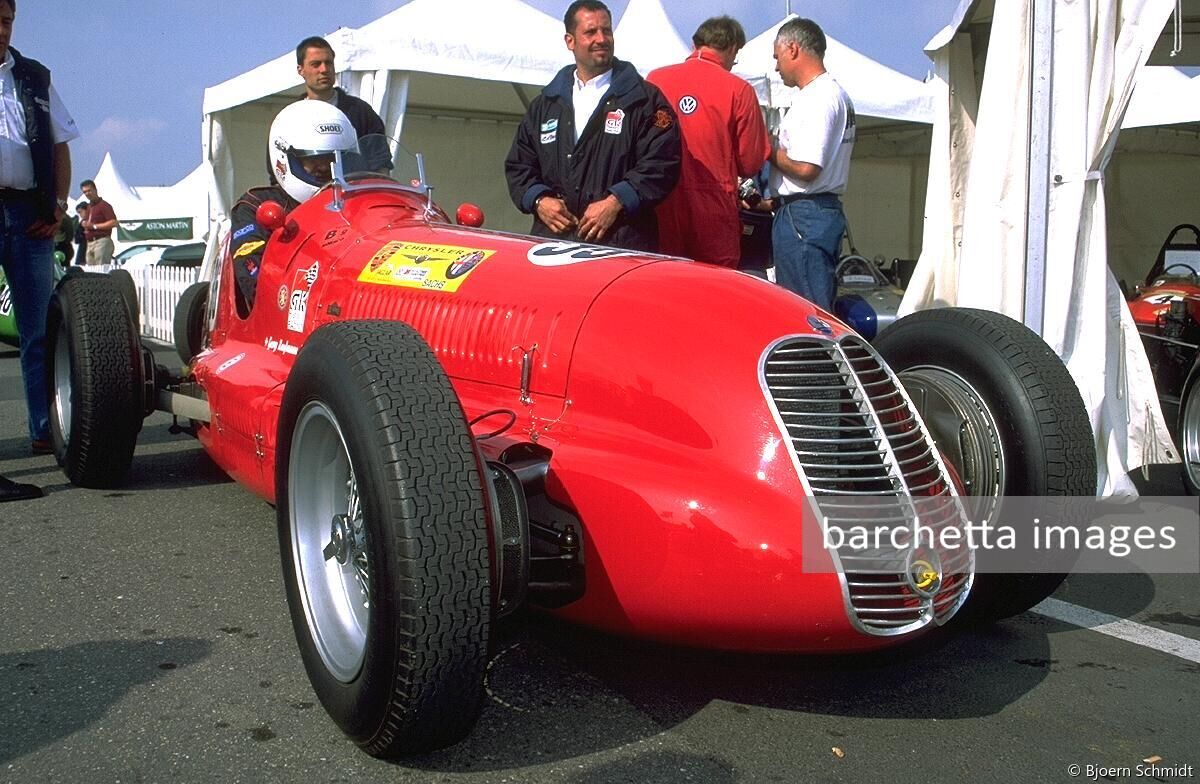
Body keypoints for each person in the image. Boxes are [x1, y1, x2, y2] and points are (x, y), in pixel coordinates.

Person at [504, 0, 680, 251]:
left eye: (606, 30)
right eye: (590, 32)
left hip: (621, 246)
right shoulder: (545, 105)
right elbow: (519, 166)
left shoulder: (644, 99)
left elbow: (663, 163)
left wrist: (616, 201)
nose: (601, 38)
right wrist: (539, 200)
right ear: (570, 41)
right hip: (554, 244)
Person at [0, 0, 77, 454]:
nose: (2, 29)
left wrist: (59, 206)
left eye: (6, 21)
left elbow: (61, 143)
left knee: (39, 331)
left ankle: (44, 427)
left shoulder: (34, 77)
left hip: (29, 216)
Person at [646, 16, 769, 267]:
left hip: (661, 202)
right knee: (714, 290)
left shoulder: (655, 79)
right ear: (733, 47)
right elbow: (750, 162)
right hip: (713, 205)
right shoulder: (740, 90)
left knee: (661, 286)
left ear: (695, 44)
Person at [230, 100, 358, 311]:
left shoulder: (351, 200)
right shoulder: (255, 205)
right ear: (285, 156)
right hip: (288, 316)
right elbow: (254, 277)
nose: (327, 168)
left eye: (337, 159)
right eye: (316, 159)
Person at [767, 17, 856, 310]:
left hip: (804, 218)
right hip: (811, 213)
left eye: (777, 56)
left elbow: (806, 170)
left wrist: (767, 148)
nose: (777, 66)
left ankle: (814, 358)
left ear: (792, 49)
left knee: (805, 313)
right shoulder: (831, 94)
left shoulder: (819, 97)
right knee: (809, 308)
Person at [294, 36, 390, 172]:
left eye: (328, 63)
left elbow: (381, 165)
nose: (324, 69)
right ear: (301, 70)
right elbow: (278, 173)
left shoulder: (361, 112)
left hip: (354, 191)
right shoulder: (290, 118)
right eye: (316, 64)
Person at [80, 179, 117, 265]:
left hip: (102, 241)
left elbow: (113, 222)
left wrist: (94, 226)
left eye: (89, 191)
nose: (87, 194)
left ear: (95, 190)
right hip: (90, 243)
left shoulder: (104, 205)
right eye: (84, 192)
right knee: (91, 272)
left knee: (102, 270)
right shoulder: (89, 207)